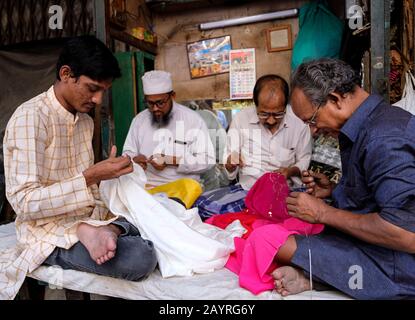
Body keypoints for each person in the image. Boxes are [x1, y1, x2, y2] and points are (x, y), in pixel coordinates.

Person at [0, 36, 157, 300]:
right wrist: (92, 175)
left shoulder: (84, 122)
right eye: (92, 88)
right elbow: (24, 203)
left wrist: (110, 188)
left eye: (103, 91)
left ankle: (102, 230)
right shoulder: (31, 118)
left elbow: (92, 191)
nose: (97, 99)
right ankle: (86, 233)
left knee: (155, 212)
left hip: (87, 219)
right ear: (66, 74)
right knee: (141, 256)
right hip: (47, 231)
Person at [272, 58, 415, 299]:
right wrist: (335, 191)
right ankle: (323, 277)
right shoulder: (374, 123)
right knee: (282, 239)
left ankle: (325, 278)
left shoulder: (384, 138)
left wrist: (322, 213)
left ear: (336, 99)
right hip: (387, 247)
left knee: (275, 243)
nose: (313, 130)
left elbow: (405, 233)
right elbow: (379, 196)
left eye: (312, 120)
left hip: (402, 262)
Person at [194, 75, 312, 219]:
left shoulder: (299, 122)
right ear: (255, 105)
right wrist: (231, 162)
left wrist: (290, 171)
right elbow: (229, 158)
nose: (270, 120)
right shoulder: (241, 120)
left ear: (286, 106)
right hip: (248, 190)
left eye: (278, 114)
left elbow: (304, 159)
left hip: (286, 191)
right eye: (264, 114)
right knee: (204, 208)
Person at [122, 70, 215, 190]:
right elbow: (127, 153)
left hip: (184, 188)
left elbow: (208, 160)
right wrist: (135, 160)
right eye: (150, 103)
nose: (155, 108)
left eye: (160, 103)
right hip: (147, 187)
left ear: (173, 96)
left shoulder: (192, 120)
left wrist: (171, 160)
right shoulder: (139, 120)